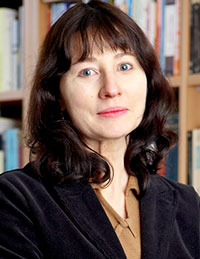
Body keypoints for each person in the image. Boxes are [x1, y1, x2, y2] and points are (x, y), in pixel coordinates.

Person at [0, 0, 199, 258]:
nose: (111, 88)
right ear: (57, 94)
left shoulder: (187, 204)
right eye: (87, 72)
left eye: (124, 66)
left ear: (148, 80)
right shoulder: (17, 199)